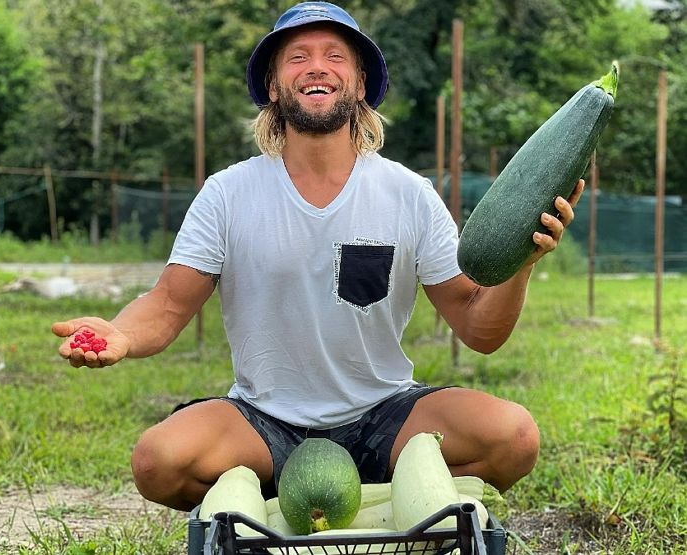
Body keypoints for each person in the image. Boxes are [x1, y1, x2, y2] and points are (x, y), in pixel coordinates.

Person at [52, 1, 584, 512]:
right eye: (298, 56)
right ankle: (331, 497)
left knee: (513, 438)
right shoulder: (228, 193)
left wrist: (522, 262)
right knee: (157, 462)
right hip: (263, 423)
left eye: (335, 56)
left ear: (358, 82)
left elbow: (479, 327)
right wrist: (120, 334)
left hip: (387, 416)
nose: (317, 67)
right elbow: (168, 305)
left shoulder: (409, 194)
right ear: (273, 84)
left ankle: (326, 498)